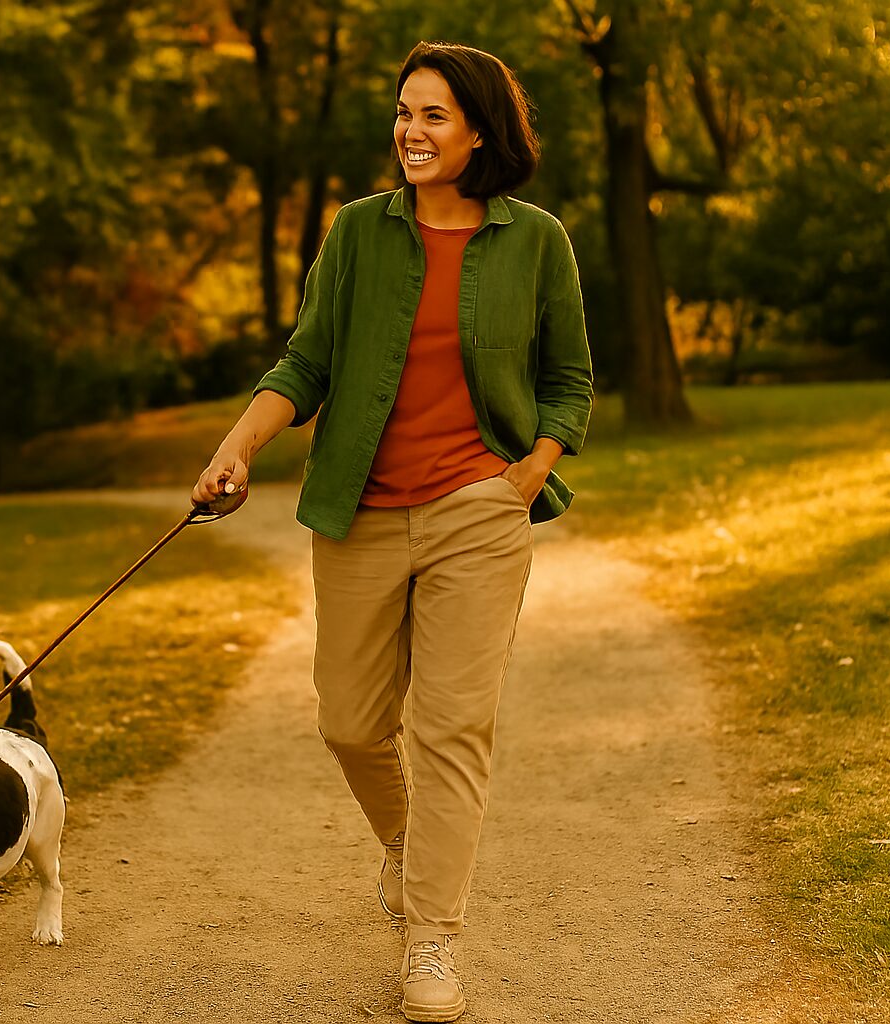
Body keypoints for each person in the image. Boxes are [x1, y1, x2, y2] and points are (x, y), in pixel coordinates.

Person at [192, 40, 593, 1023]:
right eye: (405, 113)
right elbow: (305, 363)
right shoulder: (359, 234)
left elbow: (570, 379)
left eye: (435, 117)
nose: (411, 132)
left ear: (481, 134)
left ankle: (434, 943)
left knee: (453, 728)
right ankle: (408, 849)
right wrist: (236, 447)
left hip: (478, 511)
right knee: (349, 721)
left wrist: (530, 471)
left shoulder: (536, 239)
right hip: (361, 510)